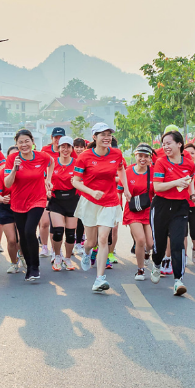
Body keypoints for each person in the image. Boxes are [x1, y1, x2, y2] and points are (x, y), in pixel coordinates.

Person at [72, 122, 127, 292]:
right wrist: (91, 191)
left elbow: (121, 170)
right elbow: (75, 181)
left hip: (110, 201)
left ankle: (99, 279)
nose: (107, 137)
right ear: (94, 137)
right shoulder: (85, 157)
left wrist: (127, 190)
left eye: (109, 134)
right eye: (102, 134)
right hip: (90, 201)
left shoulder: (116, 153)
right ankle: (87, 252)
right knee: (91, 241)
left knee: (103, 239)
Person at [150, 130, 195, 295]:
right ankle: (157, 264)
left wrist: (193, 195)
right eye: (163, 144)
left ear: (179, 144)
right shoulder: (160, 163)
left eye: (169, 143)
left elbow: (190, 180)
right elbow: (157, 187)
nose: (165, 147)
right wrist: (175, 182)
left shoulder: (189, 164)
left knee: (178, 243)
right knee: (159, 244)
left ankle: (178, 280)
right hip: (161, 206)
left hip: (180, 207)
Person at [4, 129, 53, 282]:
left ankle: (34, 267)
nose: (24, 144)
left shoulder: (41, 156)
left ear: (32, 141)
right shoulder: (12, 158)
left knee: (29, 230)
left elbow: (51, 162)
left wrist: (48, 179)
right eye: (20, 142)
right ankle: (28, 264)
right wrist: (14, 169)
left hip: (37, 200)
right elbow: (7, 183)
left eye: (27, 141)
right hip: (18, 201)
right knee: (23, 235)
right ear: (16, 144)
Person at [47, 136, 81, 271]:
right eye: (63, 147)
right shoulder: (52, 163)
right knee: (58, 231)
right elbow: (46, 180)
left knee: (71, 233)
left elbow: (83, 181)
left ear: (72, 148)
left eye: (68, 147)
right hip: (56, 199)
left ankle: (67, 258)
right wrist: (47, 190)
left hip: (73, 199)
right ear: (58, 148)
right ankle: (57, 256)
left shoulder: (77, 163)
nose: (65, 149)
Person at [122, 143, 155, 280]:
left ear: (150, 158)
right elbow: (120, 189)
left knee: (151, 243)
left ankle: (146, 253)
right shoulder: (128, 172)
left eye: (146, 156)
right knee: (140, 240)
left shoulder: (154, 172)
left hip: (148, 210)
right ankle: (140, 270)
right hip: (133, 210)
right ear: (135, 156)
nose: (143, 159)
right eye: (140, 156)